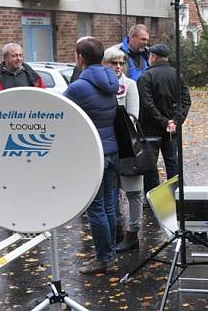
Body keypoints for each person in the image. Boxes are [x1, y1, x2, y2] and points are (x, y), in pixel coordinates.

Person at [64, 38, 120, 274]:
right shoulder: (111, 81)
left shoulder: (78, 87)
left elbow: (60, 115)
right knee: (109, 206)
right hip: (111, 150)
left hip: (92, 154)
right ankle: (111, 254)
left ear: (81, 58)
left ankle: (104, 258)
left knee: (95, 209)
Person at [102, 46, 144, 252]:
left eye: (121, 63)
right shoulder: (100, 87)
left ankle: (132, 232)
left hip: (127, 149)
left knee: (134, 193)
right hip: (108, 149)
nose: (118, 67)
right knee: (112, 192)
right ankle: (116, 229)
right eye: (113, 63)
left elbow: (133, 117)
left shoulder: (130, 85)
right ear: (105, 64)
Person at [138, 43, 191, 193]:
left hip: (150, 129)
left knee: (150, 165)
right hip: (171, 130)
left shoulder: (146, 76)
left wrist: (164, 121)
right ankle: (176, 194)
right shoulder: (178, 75)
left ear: (153, 57)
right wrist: (174, 121)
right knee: (172, 161)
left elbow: (146, 104)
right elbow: (185, 101)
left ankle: (152, 197)